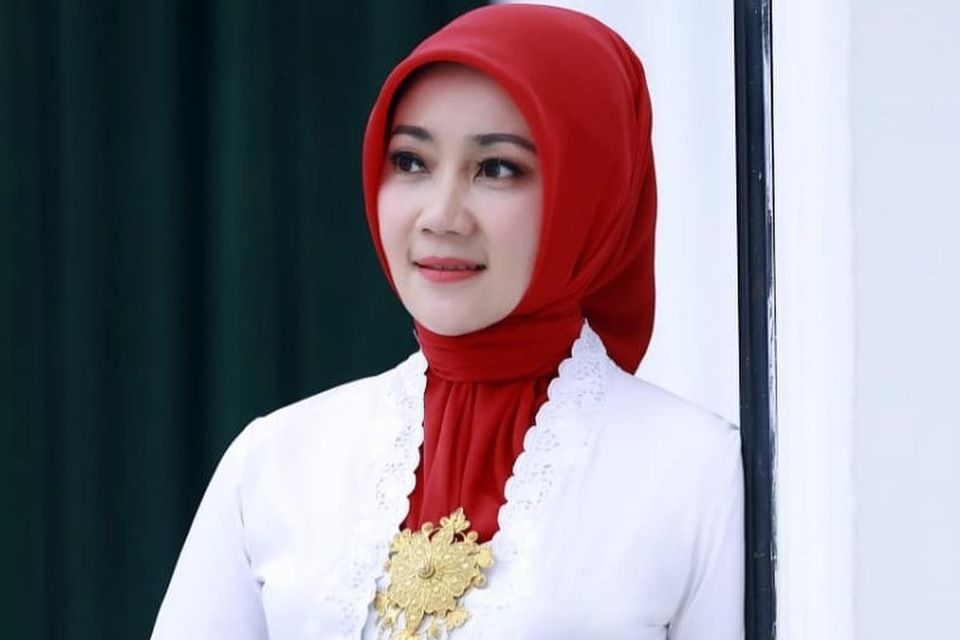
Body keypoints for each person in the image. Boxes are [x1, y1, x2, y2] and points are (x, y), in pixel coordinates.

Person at [151, 5, 743, 639]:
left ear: (591, 193)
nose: (440, 215)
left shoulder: (693, 474)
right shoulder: (276, 462)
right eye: (411, 161)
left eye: (497, 168)